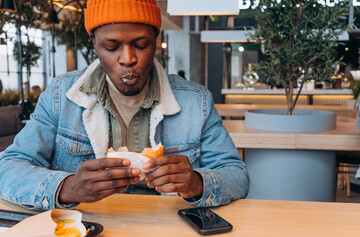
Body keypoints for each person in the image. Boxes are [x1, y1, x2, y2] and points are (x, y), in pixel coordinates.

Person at [0, 0, 249, 211]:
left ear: (155, 39)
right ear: (93, 42)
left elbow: (236, 175)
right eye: (111, 47)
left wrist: (197, 183)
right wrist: (68, 187)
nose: (128, 59)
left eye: (141, 45)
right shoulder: (60, 95)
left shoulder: (197, 101)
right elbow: (8, 168)